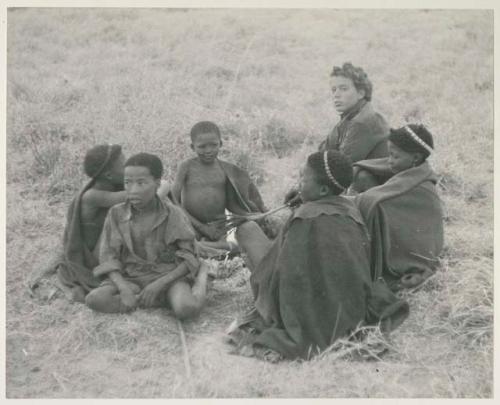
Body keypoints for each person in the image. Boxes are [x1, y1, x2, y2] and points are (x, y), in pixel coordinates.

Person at [227, 150, 409, 361]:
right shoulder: (351, 208)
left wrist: (265, 287)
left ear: (323, 189)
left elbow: (285, 272)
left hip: (307, 307)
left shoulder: (303, 218)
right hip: (349, 309)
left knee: (246, 231)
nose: (299, 183)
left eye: (304, 179)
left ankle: (262, 299)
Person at [29, 144, 169, 302]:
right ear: (109, 175)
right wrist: (161, 184)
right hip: (95, 257)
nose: (129, 167)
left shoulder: (114, 186)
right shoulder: (93, 196)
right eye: (124, 164)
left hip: (107, 247)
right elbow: (148, 194)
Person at [85, 153, 208, 318]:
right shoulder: (116, 213)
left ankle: (204, 274)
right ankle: (151, 299)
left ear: (157, 184)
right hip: (132, 276)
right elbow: (108, 257)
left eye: (141, 183)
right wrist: (124, 288)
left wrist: (159, 284)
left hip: (168, 276)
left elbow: (189, 257)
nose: (133, 190)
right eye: (127, 183)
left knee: (186, 309)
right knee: (94, 300)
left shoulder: (173, 214)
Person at [354, 124, 444, 291]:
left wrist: (331, 201)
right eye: (389, 154)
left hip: (415, 251)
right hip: (409, 236)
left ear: (415, 158)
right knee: (363, 178)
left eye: (394, 156)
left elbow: (369, 201)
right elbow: (367, 169)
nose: (389, 161)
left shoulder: (418, 188)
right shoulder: (413, 169)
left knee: (373, 207)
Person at [171, 121, 268, 254]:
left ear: (221, 144)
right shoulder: (186, 167)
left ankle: (203, 247)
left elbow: (231, 205)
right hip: (190, 223)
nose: (208, 151)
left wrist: (250, 215)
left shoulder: (225, 170)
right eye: (202, 146)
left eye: (213, 145)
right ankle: (201, 246)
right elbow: (173, 201)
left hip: (218, 227)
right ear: (192, 147)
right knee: (184, 243)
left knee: (235, 247)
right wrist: (201, 227)